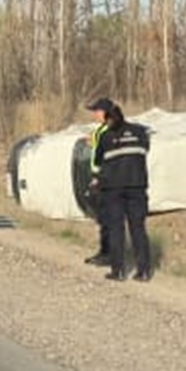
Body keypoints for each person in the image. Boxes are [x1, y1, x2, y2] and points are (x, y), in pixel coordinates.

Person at [93, 100, 152, 281]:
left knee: (116, 229)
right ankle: (144, 271)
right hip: (137, 186)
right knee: (138, 228)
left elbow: (97, 161)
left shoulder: (106, 137)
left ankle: (118, 271)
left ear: (108, 119)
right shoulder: (140, 132)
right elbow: (146, 149)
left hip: (113, 189)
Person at [72, 98, 115, 266]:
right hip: (102, 179)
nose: (94, 114)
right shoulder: (103, 129)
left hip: (106, 181)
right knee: (104, 219)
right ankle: (107, 253)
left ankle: (109, 255)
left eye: (97, 111)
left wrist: (99, 178)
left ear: (104, 112)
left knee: (107, 220)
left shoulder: (108, 130)